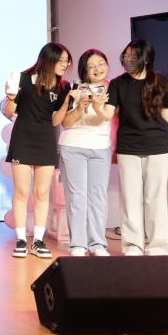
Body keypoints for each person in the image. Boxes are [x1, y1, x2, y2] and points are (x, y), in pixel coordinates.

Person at [105, 39, 168, 255]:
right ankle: (133, 246)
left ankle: (157, 247)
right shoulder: (117, 84)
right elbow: (109, 113)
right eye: (126, 54)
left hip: (156, 146)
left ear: (144, 58)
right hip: (128, 146)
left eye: (132, 55)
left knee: (154, 199)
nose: (127, 58)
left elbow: (166, 113)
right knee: (130, 199)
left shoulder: (160, 82)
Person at [3, 43, 74, 259]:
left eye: (67, 61)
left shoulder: (63, 87)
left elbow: (56, 121)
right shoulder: (23, 79)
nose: (65, 65)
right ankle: (21, 240)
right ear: (48, 59)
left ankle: (38, 241)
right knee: (21, 192)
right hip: (23, 139)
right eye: (62, 60)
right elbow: (9, 111)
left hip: (46, 141)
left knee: (43, 193)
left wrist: (67, 102)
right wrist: (11, 97)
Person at [58, 49, 114, 256]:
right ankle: (78, 244)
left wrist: (98, 105)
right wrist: (80, 107)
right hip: (73, 146)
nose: (97, 69)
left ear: (107, 65)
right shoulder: (73, 88)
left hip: (101, 147)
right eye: (91, 66)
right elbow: (65, 123)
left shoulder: (113, 88)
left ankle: (98, 244)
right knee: (76, 196)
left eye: (100, 64)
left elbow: (107, 116)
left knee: (98, 197)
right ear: (84, 70)